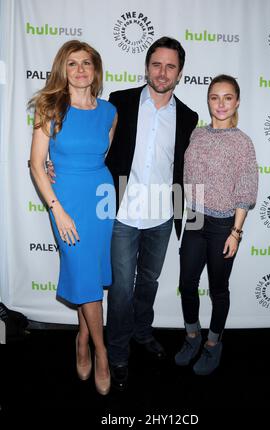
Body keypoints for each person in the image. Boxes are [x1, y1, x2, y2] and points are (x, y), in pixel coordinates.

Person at [105, 36, 198, 390]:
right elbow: (98, 149)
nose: (162, 72)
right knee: (121, 291)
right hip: (122, 213)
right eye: (156, 64)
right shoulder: (120, 101)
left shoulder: (188, 117)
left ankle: (142, 333)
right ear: (146, 67)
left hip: (162, 216)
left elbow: (187, 170)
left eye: (170, 66)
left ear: (180, 73)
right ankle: (116, 353)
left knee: (149, 283)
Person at [29, 40, 117, 395]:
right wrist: (57, 208)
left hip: (101, 199)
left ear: (95, 70)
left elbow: (102, 154)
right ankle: (102, 351)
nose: (80, 70)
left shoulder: (110, 111)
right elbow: (37, 164)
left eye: (86, 63)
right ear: (62, 70)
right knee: (85, 273)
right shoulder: (49, 107)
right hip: (64, 200)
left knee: (91, 276)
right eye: (72, 64)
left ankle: (82, 337)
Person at [175, 74, 258, 375]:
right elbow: (184, 175)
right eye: (214, 97)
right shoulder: (197, 134)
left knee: (218, 289)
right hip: (195, 217)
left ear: (236, 102)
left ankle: (213, 343)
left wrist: (236, 232)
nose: (220, 103)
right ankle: (192, 335)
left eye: (227, 98)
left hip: (224, 223)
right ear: (208, 101)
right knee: (186, 285)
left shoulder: (243, 143)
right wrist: (180, 216)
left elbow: (246, 190)